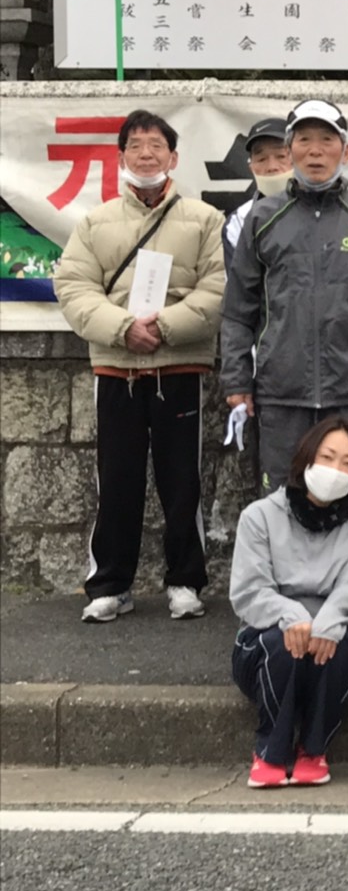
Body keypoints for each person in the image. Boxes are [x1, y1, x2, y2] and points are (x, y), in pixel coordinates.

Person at [53, 109, 225, 624]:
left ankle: (185, 581)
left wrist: (165, 326)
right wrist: (122, 328)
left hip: (180, 368)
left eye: (156, 146)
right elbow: (73, 286)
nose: (146, 154)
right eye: (136, 145)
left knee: (183, 482)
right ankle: (110, 584)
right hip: (117, 370)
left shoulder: (205, 219)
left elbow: (218, 288)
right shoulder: (95, 222)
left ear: (174, 157)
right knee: (117, 479)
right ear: (120, 156)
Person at [220, 99, 348, 509]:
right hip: (281, 392)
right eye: (304, 139)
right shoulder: (263, 219)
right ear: (290, 149)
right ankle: (285, 577)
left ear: (345, 151)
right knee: (281, 502)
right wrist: (237, 380)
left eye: (327, 140)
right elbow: (239, 309)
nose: (315, 150)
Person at [229, 416, 348, 788]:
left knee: (342, 646)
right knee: (283, 646)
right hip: (268, 641)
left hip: (331, 639)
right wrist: (291, 615)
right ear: (306, 458)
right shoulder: (259, 516)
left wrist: (328, 622)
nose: (336, 470)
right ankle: (269, 750)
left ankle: (314, 749)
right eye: (328, 457)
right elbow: (249, 591)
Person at [222, 117, 292, 271]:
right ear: (251, 167)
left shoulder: (322, 209)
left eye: (281, 156)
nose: (272, 167)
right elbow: (238, 288)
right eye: (261, 159)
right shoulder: (238, 222)